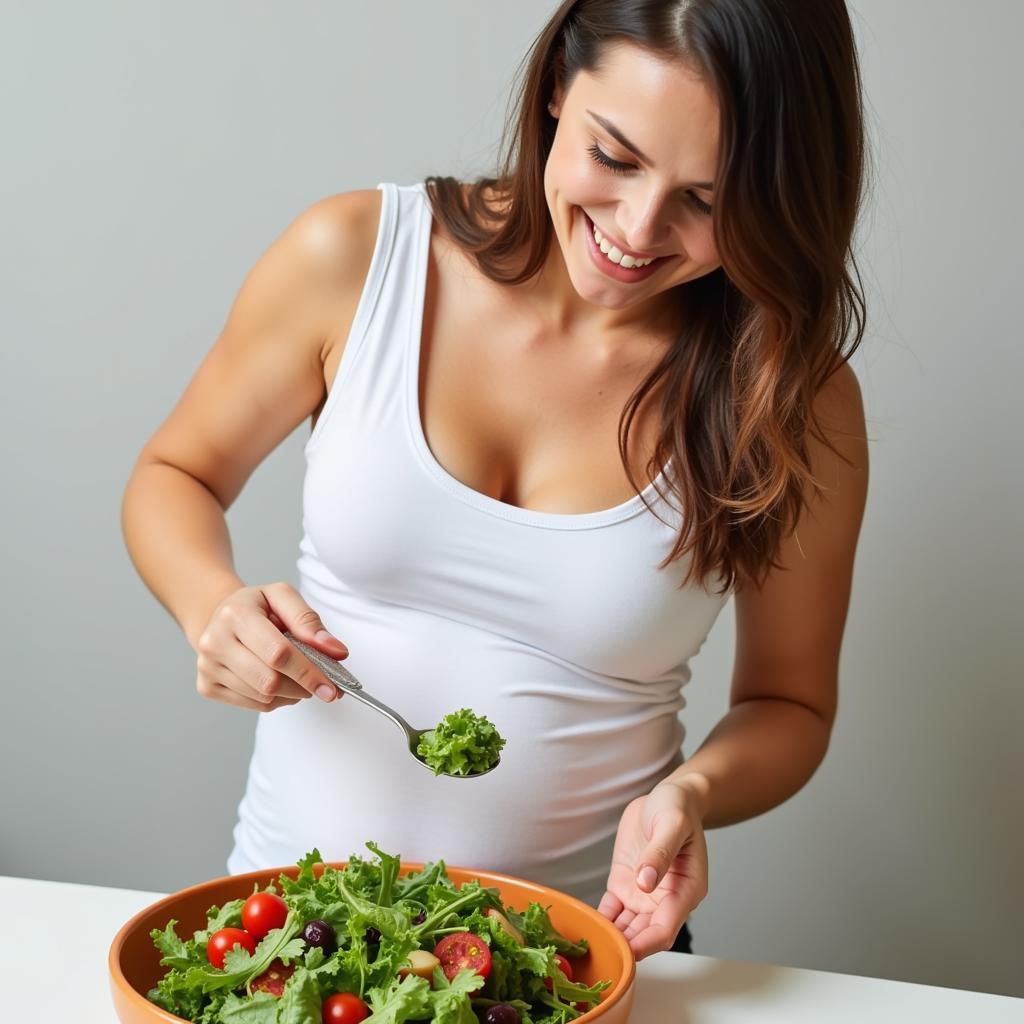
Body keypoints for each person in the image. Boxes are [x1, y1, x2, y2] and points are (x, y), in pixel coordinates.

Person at [121, 0, 869, 962]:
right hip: (289, 951)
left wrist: (691, 793)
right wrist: (210, 606)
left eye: (709, 200)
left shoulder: (791, 395)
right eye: (616, 156)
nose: (637, 231)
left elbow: (790, 707)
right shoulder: (356, 257)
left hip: (566, 970)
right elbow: (174, 472)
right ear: (559, 82)